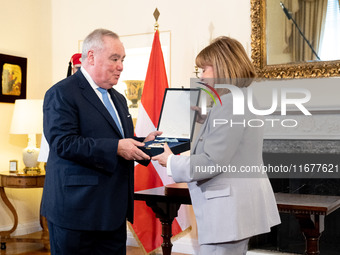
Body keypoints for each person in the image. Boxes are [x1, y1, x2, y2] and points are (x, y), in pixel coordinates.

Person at [153, 36, 281, 255]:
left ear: (222, 67)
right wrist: (208, 118)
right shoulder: (240, 98)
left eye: (204, 69)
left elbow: (213, 161)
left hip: (227, 212)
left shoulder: (230, 103)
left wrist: (171, 161)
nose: (201, 76)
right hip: (236, 207)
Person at [41, 28, 161, 255]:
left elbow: (115, 140)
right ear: (92, 56)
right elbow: (63, 143)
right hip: (76, 213)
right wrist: (117, 147)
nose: (121, 66)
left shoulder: (118, 98)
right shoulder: (62, 93)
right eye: (114, 59)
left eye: (122, 59)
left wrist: (144, 142)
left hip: (112, 214)